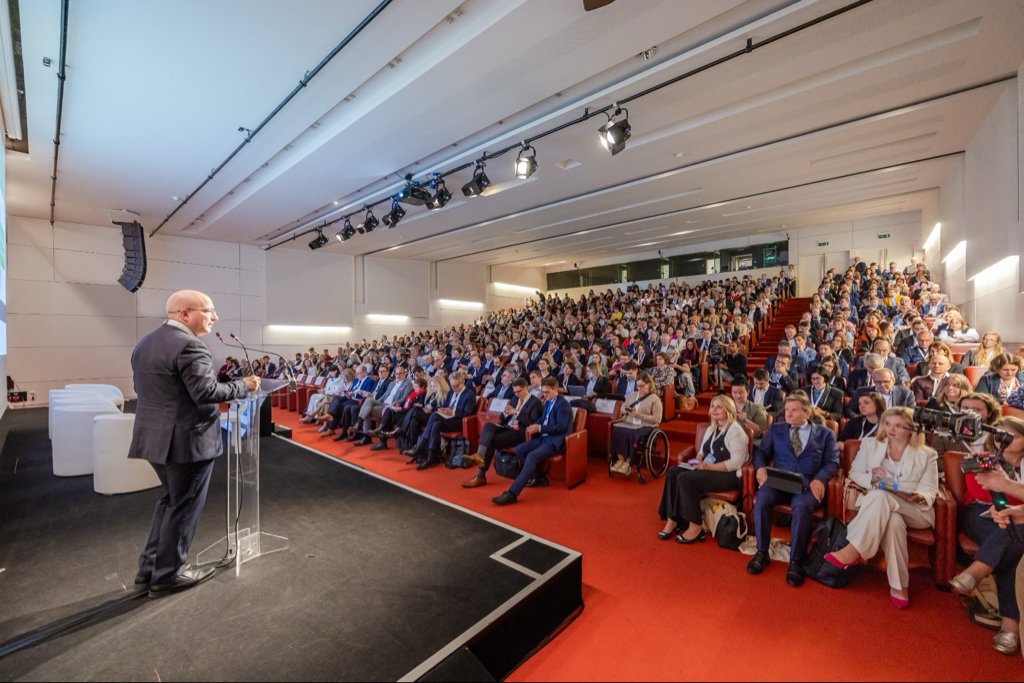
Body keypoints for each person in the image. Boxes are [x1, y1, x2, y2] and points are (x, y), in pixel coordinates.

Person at [130, 290, 260, 597]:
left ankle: (149, 568)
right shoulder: (190, 346)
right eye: (209, 310)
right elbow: (206, 393)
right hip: (187, 442)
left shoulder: (145, 343)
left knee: (170, 501)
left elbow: (144, 390)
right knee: (184, 506)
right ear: (184, 313)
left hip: (155, 438)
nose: (215, 317)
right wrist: (244, 385)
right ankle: (169, 574)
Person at [824, 407, 938, 608]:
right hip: (879, 505)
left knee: (881, 497)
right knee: (892, 520)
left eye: (898, 426)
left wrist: (914, 496)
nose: (891, 430)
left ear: (911, 429)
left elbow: (929, 490)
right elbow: (855, 474)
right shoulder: (870, 444)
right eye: (887, 424)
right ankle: (899, 586)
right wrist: (872, 478)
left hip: (915, 510)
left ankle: (854, 549)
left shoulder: (927, 454)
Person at [747, 393, 840, 587]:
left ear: (806, 412)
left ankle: (796, 561)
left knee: (801, 506)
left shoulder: (825, 434)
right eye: (787, 410)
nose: (788, 414)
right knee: (762, 498)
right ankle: (762, 552)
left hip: (807, 483)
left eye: (794, 410)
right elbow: (760, 452)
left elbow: (832, 462)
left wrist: (820, 479)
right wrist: (761, 468)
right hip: (780, 480)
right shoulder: (776, 429)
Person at [950, 417, 1024, 655]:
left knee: (1011, 543)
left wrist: (1007, 493)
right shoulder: (982, 458)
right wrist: (1013, 496)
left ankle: (977, 571)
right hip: (980, 513)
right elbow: (977, 490)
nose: (1004, 438)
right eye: (1000, 432)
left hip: (1014, 519)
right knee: (1012, 539)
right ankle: (1010, 627)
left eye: (1012, 435)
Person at [658, 395, 750, 543]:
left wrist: (708, 466)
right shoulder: (711, 428)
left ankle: (695, 526)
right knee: (673, 472)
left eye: (719, 407)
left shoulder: (736, 431)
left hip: (728, 475)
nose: (714, 410)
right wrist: (697, 461)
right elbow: (701, 451)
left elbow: (736, 463)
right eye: (712, 406)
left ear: (728, 409)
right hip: (707, 468)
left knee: (686, 479)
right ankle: (673, 518)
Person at [492, 377, 573, 506]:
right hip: (543, 437)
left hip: (555, 442)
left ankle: (512, 493)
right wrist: (534, 425)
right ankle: (538, 477)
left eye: (547, 392)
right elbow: (542, 419)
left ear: (555, 389)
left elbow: (561, 427)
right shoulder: (548, 402)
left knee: (531, 456)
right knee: (520, 449)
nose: (544, 395)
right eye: (543, 392)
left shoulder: (563, 405)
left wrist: (539, 428)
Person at [462, 378, 542, 488]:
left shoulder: (535, 402)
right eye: (514, 392)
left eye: (519, 391)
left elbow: (532, 422)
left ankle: (480, 475)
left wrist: (516, 412)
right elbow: (502, 419)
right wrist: (505, 413)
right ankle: (479, 455)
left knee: (490, 441)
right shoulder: (514, 399)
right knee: (488, 426)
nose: (517, 394)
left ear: (527, 388)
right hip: (507, 427)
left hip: (519, 432)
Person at [609, 373, 664, 476]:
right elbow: (622, 408)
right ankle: (621, 460)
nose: (640, 388)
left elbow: (657, 419)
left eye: (642, 386)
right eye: (638, 386)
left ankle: (629, 462)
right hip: (629, 422)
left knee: (632, 434)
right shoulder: (632, 395)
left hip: (646, 426)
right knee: (616, 431)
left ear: (649, 385)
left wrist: (639, 415)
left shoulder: (655, 399)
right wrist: (626, 411)